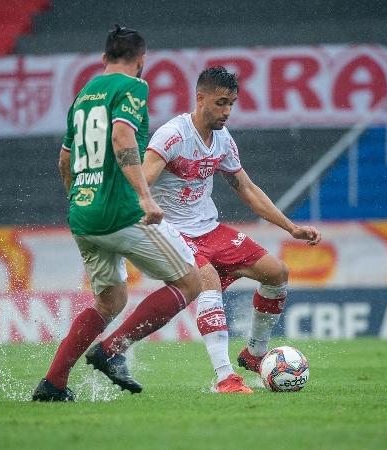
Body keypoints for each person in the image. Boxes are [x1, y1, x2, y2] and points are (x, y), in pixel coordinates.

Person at [32, 25, 201, 401]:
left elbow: (64, 160)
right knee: (191, 282)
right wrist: (144, 196)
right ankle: (112, 350)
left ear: (103, 58)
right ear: (142, 61)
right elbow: (122, 136)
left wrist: (79, 200)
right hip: (120, 213)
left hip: (83, 214)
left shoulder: (83, 96)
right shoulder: (133, 87)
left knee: (111, 301)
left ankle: (53, 383)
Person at [139, 66, 322, 393]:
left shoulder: (222, 140)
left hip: (209, 229)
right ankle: (226, 378)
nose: (227, 111)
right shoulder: (173, 136)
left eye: (232, 104)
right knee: (206, 278)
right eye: (221, 103)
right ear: (200, 98)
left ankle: (254, 353)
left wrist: (291, 228)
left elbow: (247, 189)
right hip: (172, 232)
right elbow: (140, 182)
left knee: (277, 272)